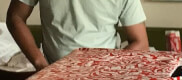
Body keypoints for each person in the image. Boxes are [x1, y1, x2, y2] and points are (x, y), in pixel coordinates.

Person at [5, 0, 148, 71]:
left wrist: (108, 71)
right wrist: (41, 64)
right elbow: (15, 17)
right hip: (54, 78)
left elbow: (140, 43)